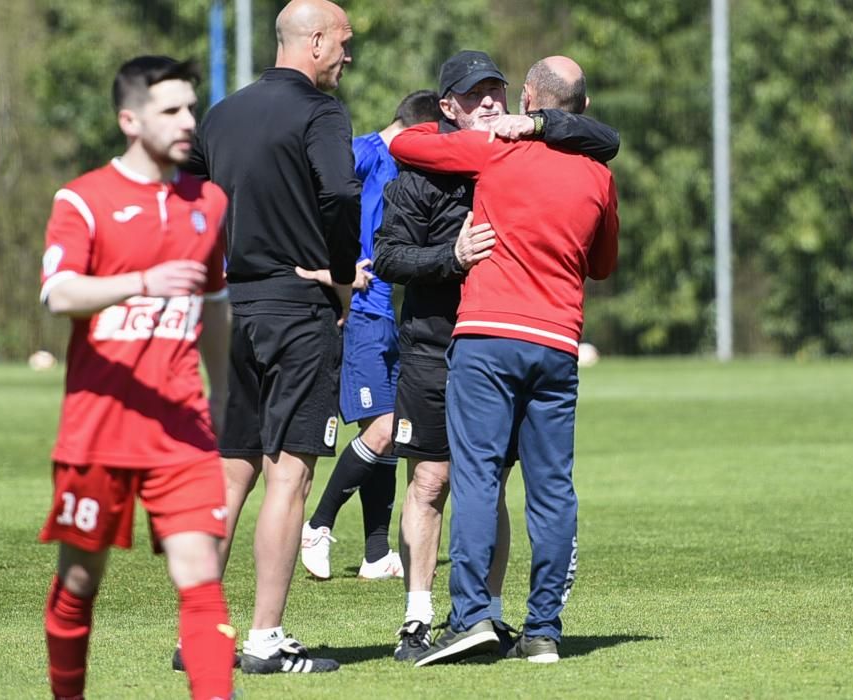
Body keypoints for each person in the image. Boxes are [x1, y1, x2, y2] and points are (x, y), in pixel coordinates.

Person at [373, 49, 620, 662]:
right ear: (582, 110)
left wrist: (502, 134)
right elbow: (605, 265)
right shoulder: (600, 176)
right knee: (552, 490)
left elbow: (407, 146)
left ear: (526, 103)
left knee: (477, 479)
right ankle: (543, 632)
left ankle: (472, 617)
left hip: (486, 336)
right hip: (559, 343)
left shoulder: (495, 150)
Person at [38, 55, 235, 699]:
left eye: (191, 107)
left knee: (201, 576)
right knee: (77, 584)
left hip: (182, 429)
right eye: (171, 110)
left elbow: (210, 308)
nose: (188, 121)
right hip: (98, 431)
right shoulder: (84, 198)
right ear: (129, 119)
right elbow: (58, 294)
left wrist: (226, 400)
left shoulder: (209, 201)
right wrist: (141, 283)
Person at [184, 0, 358, 675]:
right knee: (291, 473)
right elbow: (341, 197)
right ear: (314, 41)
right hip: (298, 310)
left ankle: (198, 634)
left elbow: (187, 198)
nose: (347, 55)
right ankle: (264, 639)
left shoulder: (222, 114)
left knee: (232, 476)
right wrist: (341, 274)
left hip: (237, 309)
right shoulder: (321, 113)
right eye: (343, 42)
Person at [300, 90, 444, 582]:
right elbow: (306, 202)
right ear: (413, 131)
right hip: (358, 312)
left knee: (387, 433)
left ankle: (377, 552)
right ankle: (317, 526)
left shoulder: (406, 170)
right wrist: (332, 271)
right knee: (385, 428)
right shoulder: (362, 152)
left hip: (387, 315)